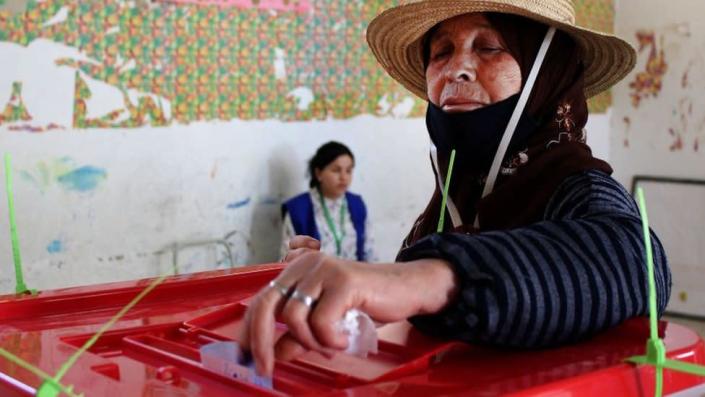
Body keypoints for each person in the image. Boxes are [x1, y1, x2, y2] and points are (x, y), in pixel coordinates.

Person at [242, 0, 671, 376]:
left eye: (489, 47)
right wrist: (344, 293)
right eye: (441, 51)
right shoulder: (450, 200)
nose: (455, 69)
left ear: (547, 78)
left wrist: (421, 280)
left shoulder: (579, 188)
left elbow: (637, 260)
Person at [281, 141, 375, 262]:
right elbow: (285, 260)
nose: (344, 177)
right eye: (336, 170)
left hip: (355, 278)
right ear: (318, 173)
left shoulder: (357, 204)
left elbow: (370, 253)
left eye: (349, 171)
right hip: (314, 279)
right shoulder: (298, 209)